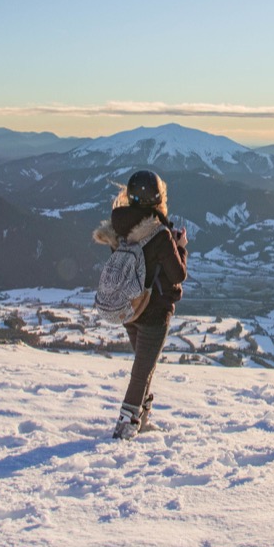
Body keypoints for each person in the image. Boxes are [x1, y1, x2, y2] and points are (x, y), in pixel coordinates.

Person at [92, 170, 188, 440]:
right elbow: (178, 274)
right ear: (159, 198)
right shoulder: (160, 235)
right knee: (142, 370)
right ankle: (125, 427)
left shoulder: (119, 230)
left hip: (129, 309)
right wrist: (181, 246)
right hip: (155, 312)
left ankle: (141, 419)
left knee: (144, 366)